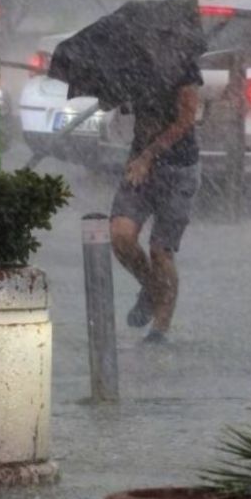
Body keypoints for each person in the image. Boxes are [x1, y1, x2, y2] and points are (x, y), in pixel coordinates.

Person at [110, 53, 203, 345]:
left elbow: (186, 119)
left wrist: (150, 155)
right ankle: (152, 288)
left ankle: (160, 328)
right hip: (139, 165)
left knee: (160, 251)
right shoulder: (132, 65)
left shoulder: (184, 67)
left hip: (178, 169)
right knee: (120, 235)